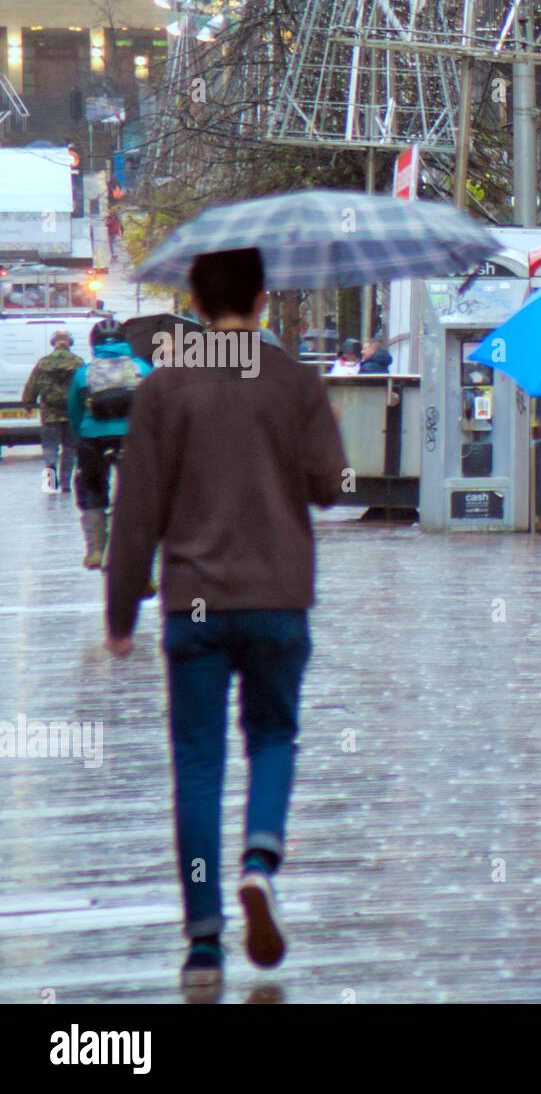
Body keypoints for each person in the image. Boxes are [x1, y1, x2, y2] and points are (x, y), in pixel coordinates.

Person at [104, 247, 347, 990]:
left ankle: (205, 941)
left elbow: (136, 511)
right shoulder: (293, 380)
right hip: (277, 595)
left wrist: (120, 609)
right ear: (264, 298)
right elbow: (332, 486)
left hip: (194, 603)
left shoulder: (166, 387)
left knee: (199, 763)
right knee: (274, 735)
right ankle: (260, 860)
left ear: (199, 304)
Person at [67, 326, 153, 569]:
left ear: (94, 343)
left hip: (93, 437)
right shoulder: (142, 368)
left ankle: (95, 549)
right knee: (136, 492)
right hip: (133, 436)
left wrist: (80, 431)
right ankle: (133, 553)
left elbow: (73, 409)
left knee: (91, 486)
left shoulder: (84, 373)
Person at [22, 330, 83, 494]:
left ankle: (50, 478)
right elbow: (84, 385)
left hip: (49, 414)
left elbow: (32, 385)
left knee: (50, 448)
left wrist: (28, 403)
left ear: (53, 343)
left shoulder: (43, 363)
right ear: (70, 343)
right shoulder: (78, 363)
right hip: (71, 413)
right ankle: (65, 484)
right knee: (69, 449)